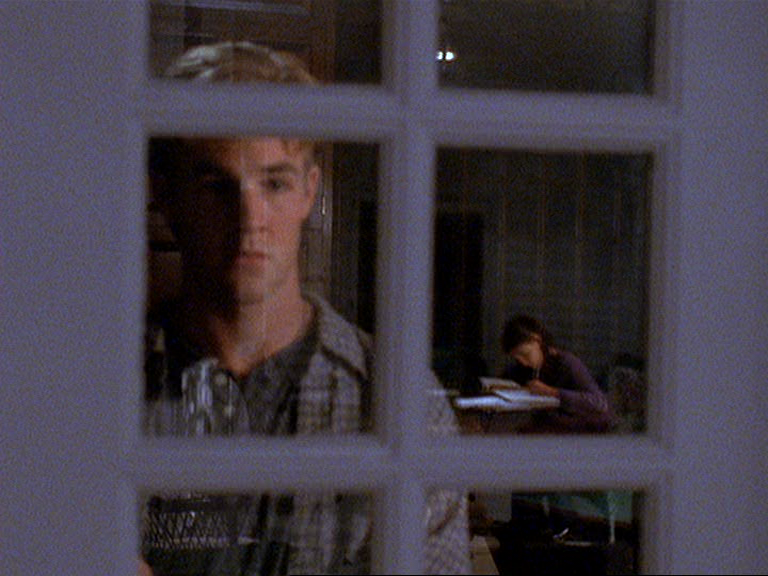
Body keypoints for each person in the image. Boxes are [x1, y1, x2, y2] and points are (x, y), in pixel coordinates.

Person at [140, 42, 470, 575]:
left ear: (309, 193)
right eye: (216, 185)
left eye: (275, 182)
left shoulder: (397, 401)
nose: (250, 218)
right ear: (164, 195)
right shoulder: (101, 387)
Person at [498, 314, 616, 433]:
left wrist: (552, 392)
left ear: (537, 340)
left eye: (525, 354)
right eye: (517, 358)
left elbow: (598, 404)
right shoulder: (525, 369)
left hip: (581, 430)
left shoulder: (566, 363)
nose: (523, 362)